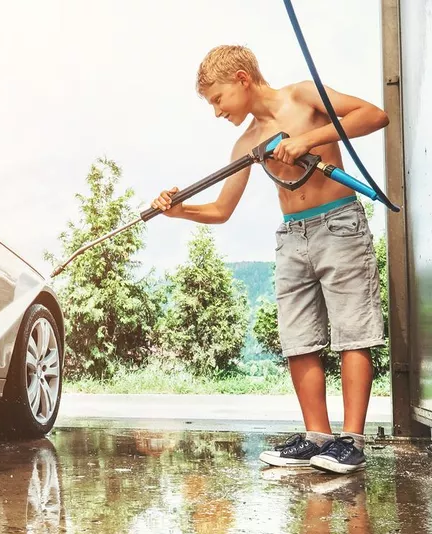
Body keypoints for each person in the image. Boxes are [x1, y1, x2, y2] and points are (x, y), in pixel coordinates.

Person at [151, 45, 389, 474]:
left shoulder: (303, 96)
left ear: (242, 78)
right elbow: (222, 211)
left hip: (339, 223)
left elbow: (374, 115)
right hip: (291, 236)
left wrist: (306, 140)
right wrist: (179, 209)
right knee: (298, 338)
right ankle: (317, 437)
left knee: (352, 332)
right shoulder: (247, 143)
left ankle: (350, 442)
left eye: (217, 99)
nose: (217, 111)